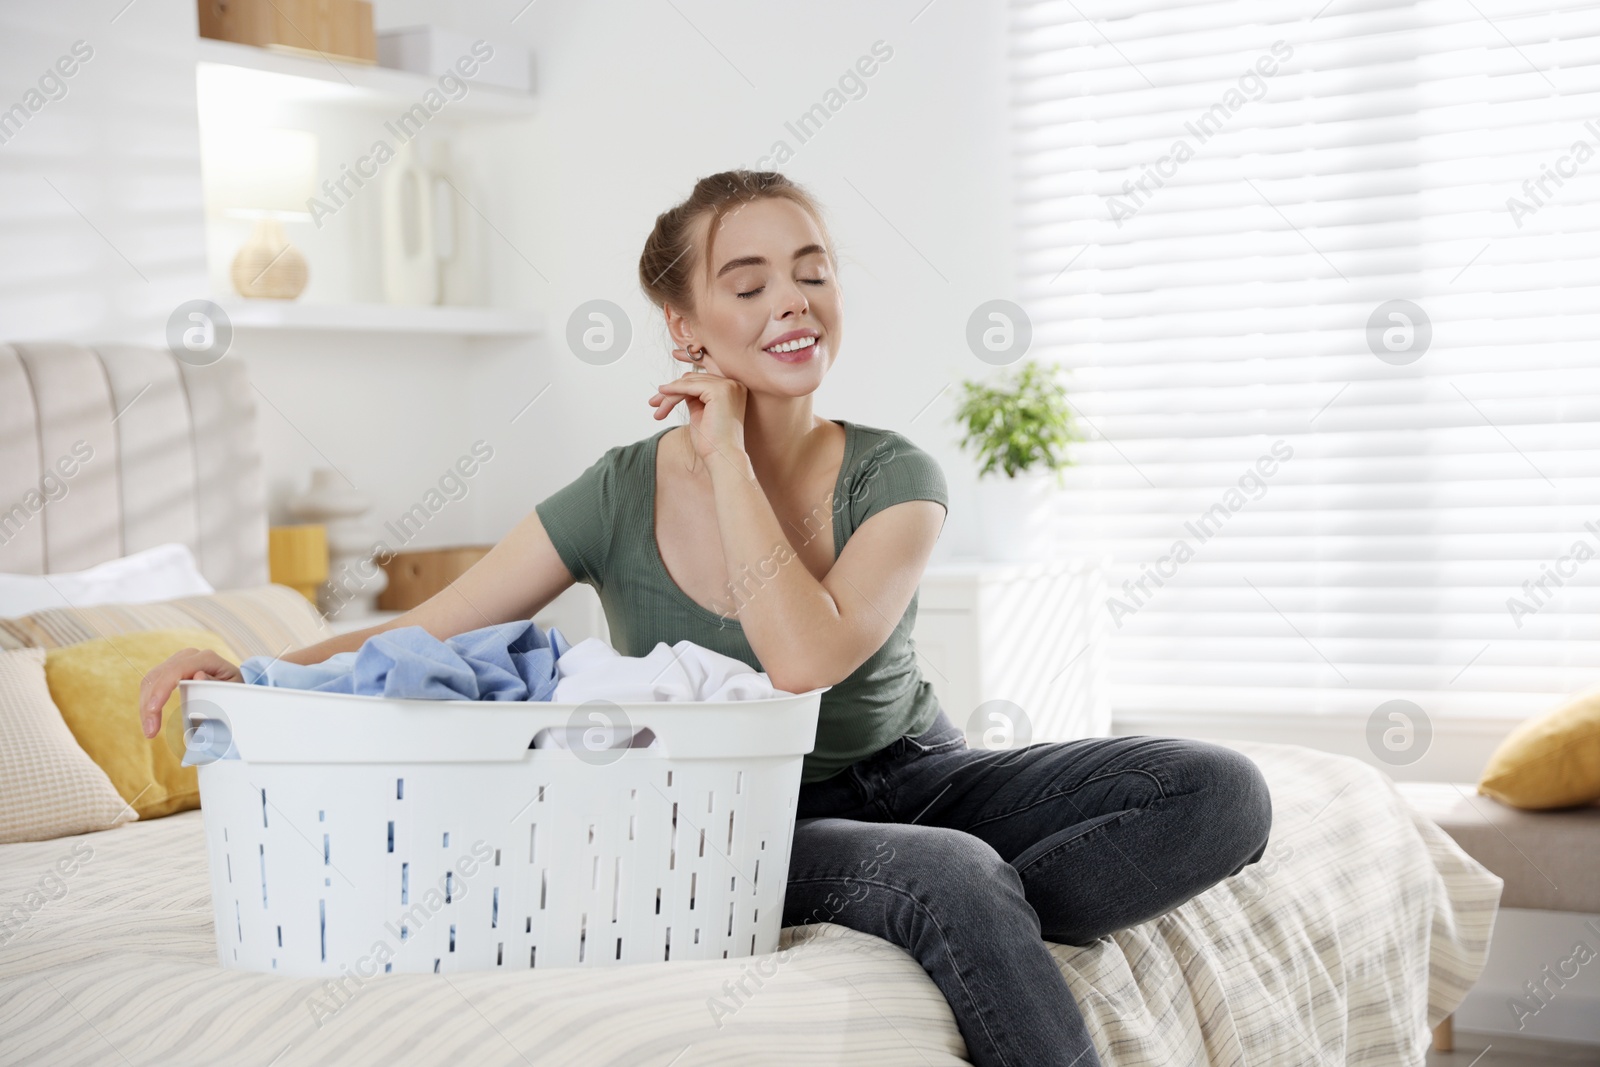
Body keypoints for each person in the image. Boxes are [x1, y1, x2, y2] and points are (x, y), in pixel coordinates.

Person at [140, 169, 1272, 1067]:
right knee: (946, 877)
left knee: (1219, 792)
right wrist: (252, 669)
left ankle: (966, 923)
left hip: (919, 769)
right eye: (747, 281)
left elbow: (814, 652)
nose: (791, 299)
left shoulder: (896, 474)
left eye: (812, 270)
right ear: (683, 322)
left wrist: (727, 455)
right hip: (733, 818)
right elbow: (432, 628)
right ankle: (952, 910)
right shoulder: (617, 490)